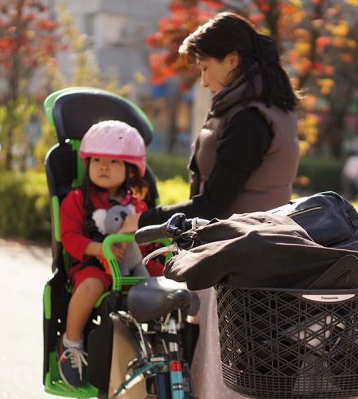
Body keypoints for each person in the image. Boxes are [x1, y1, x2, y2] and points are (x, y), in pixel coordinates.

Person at [122, 12, 300, 399]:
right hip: (262, 255)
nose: (203, 79)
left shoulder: (249, 119)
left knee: (225, 376)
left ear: (232, 59)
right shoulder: (270, 109)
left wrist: (145, 219)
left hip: (236, 259)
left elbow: (216, 202)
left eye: (206, 67)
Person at [57, 120, 158, 388]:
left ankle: (164, 347)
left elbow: (146, 243)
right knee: (90, 285)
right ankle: (71, 341)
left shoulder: (137, 205)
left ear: (130, 169)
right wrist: (99, 248)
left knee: (168, 283)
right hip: (93, 266)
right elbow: (69, 238)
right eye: (97, 160)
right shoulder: (77, 200)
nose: (103, 166)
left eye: (113, 162)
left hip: (132, 267)